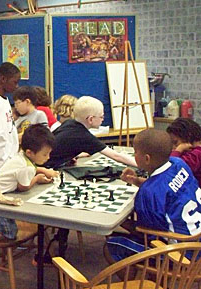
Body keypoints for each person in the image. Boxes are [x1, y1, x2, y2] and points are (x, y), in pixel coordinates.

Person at [105, 129, 201, 264]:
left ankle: (151, 282)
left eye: (135, 152)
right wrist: (136, 181)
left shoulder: (148, 193)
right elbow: (168, 188)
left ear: (146, 158)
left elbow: (149, 235)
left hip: (182, 254)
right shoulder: (178, 164)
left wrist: (117, 222)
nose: (134, 155)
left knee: (112, 245)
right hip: (197, 241)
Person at [44, 96, 137, 169]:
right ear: (91, 119)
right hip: (46, 167)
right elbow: (116, 156)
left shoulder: (69, 123)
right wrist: (140, 164)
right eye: (101, 117)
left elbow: (59, 143)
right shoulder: (83, 136)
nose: (103, 120)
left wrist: (68, 156)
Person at [166, 117, 201, 185]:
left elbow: (172, 168)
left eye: (175, 142)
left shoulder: (197, 154)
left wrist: (179, 150)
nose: (173, 147)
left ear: (188, 136)